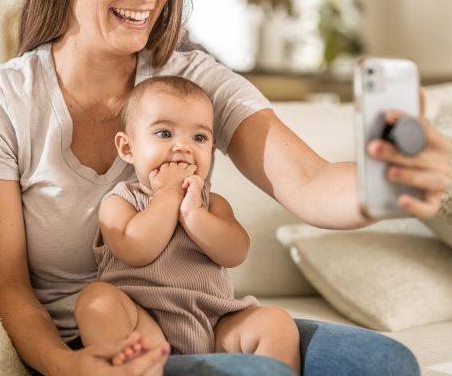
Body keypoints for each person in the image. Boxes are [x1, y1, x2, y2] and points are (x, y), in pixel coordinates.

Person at [0, 0, 451, 374]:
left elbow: (310, 183)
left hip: (202, 317)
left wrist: (384, 185)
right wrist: (66, 366)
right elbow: (6, 287)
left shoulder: (193, 84)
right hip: (97, 342)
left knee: (386, 363)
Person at [75, 76, 300, 372]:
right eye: (165, 133)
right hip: (143, 324)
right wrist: (168, 194)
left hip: (214, 323)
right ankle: (138, 370)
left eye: (199, 138)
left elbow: (235, 253)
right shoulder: (120, 201)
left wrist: (195, 215)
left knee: (277, 323)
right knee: (96, 301)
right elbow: (136, 249)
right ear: (128, 148)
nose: (182, 147)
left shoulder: (211, 203)